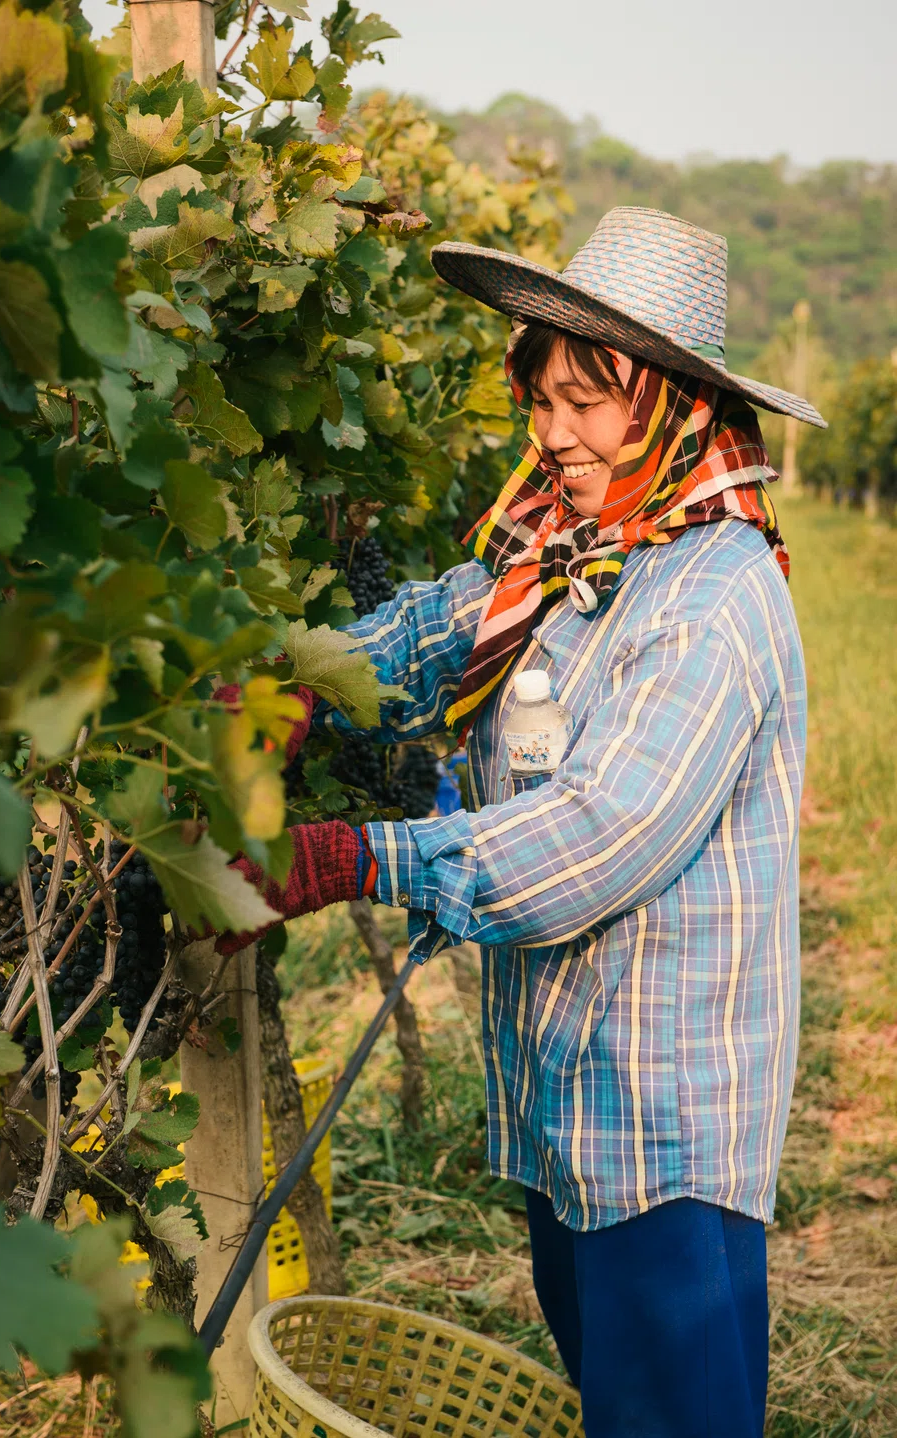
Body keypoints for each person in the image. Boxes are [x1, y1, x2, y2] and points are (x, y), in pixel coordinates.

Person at [221, 208, 826, 1438]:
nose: (553, 434)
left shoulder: (712, 595)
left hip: (665, 1122)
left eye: (587, 404)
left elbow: (596, 836)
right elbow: (444, 624)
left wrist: (357, 856)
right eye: (541, 399)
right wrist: (304, 683)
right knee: (613, 1399)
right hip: (569, 1098)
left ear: (665, 406)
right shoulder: (574, 553)